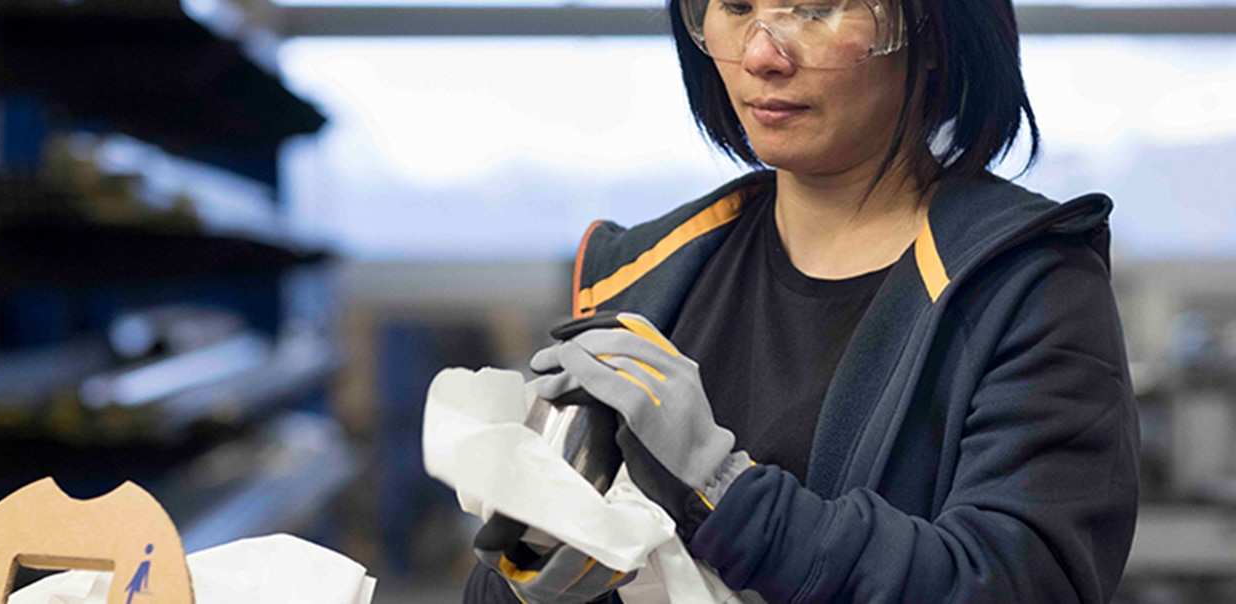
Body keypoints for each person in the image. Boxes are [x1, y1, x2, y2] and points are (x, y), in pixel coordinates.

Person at [464, 0, 1139, 601]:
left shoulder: (1025, 286)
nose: (762, 55)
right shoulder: (642, 276)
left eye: (815, 9)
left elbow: (1017, 582)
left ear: (931, 32)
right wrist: (530, 558)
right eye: (733, 5)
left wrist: (723, 490)